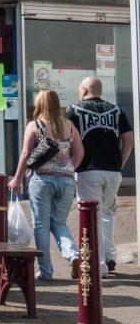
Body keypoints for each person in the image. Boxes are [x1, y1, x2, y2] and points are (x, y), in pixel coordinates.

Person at [11, 89, 84, 281]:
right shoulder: (69, 126)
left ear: (40, 105)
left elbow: (26, 154)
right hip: (67, 181)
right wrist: (69, 170)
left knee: (41, 225)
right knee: (59, 223)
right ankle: (74, 255)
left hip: (42, 180)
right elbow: (80, 153)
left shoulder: (35, 126)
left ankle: (46, 271)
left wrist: (17, 178)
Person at [68, 76, 133, 276]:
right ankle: (109, 256)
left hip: (88, 170)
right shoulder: (116, 110)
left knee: (91, 216)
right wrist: (119, 164)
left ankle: (99, 265)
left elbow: (66, 137)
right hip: (113, 171)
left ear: (84, 90)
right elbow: (129, 140)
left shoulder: (74, 110)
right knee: (107, 213)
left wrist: (71, 166)